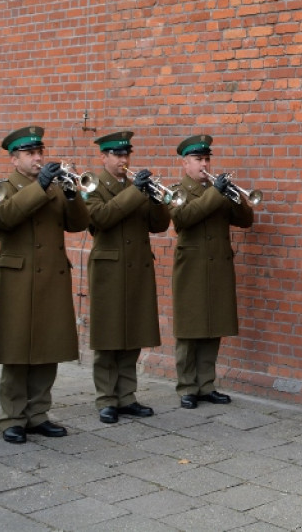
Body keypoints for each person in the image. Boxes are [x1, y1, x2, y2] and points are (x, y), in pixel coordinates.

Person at [0, 126, 90, 444]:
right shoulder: (1, 188)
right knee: (17, 349)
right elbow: (5, 218)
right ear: (14, 158)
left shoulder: (57, 188)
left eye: (40, 153)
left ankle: (38, 414)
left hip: (52, 277)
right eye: (31, 154)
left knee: (49, 347)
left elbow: (78, 224)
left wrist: (73, 196)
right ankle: (12, 418)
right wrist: (41, 186)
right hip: (19, 278)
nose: (38, 158)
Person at [85, 131, 171, 424]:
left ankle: (127, 396)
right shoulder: (92, 185)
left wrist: (156, 198)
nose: (124, 160)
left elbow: (158, 225)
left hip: (136, 267)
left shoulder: (137, 187)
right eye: (117, 155)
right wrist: (137, 192)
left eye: (126, 155)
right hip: (109, 270)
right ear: (104, 157)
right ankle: (106, 399)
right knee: (108, 335)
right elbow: (102, 218)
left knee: (132, 333)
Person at [170, 134, 253, 409]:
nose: (204, 164)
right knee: (190, 329)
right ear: (185, 164)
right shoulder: (178, 191)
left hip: (217, 265)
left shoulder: (218, 189)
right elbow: (184, 218)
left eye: (207, 158)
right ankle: (187, 386)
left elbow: (245, 220)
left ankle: (206, 385)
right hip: (191, 268)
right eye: (198, 159)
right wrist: (216, 192)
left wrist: (234, 195)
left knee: (213, 326)